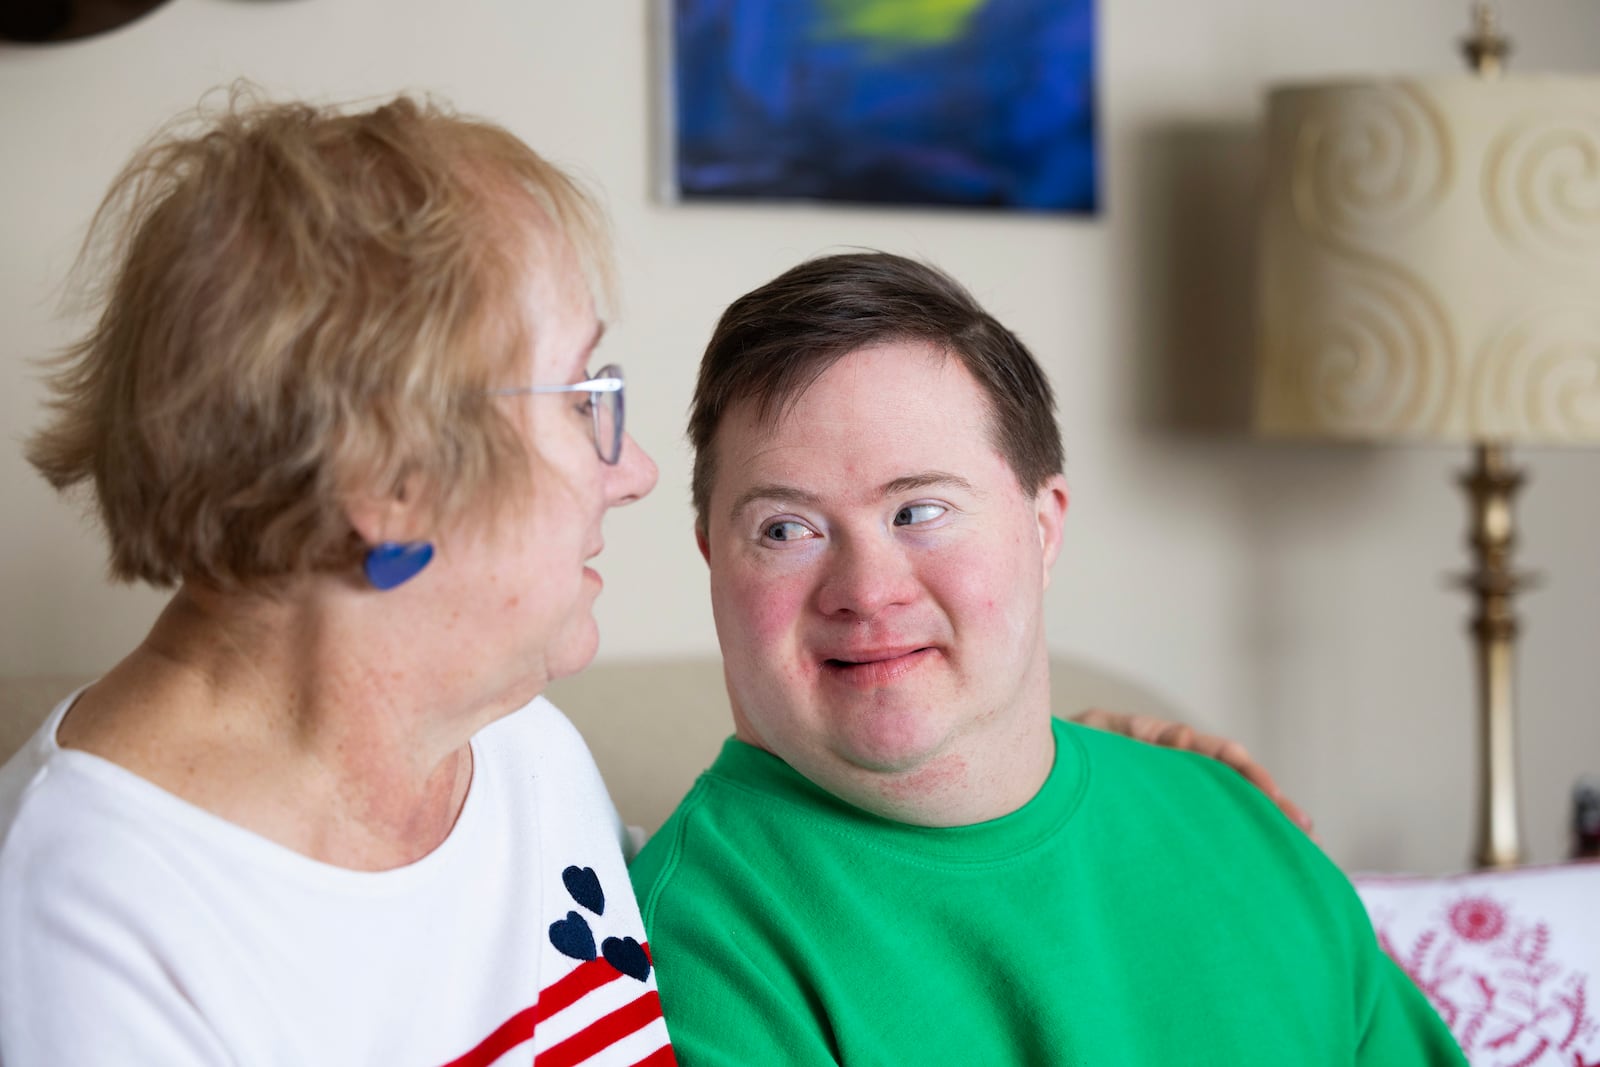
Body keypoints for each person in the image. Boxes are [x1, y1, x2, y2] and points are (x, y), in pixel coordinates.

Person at [628, 252, 1466, 1065]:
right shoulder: (679, 951)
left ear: (1045, 524)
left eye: (920, 509)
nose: (866, 589)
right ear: (714, 560)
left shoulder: (1236, 820)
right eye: (785, 528)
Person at [0, 92, 673, 1065]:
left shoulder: (527, 748)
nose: (634, 469)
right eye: (578, 398)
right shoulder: (81, 917)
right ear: (389, 475)